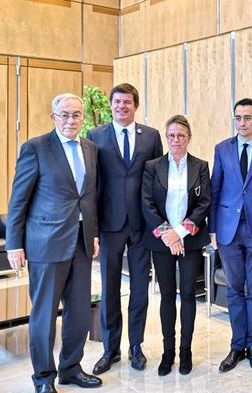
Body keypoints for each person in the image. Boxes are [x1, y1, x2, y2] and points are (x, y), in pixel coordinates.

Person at [6, 93, 102, 393]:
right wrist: (14, 245)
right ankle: (43, 377)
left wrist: (94, 234)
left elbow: (88, 197)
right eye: (65, 115)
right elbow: (19, 199)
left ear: (83, 118)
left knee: (78, 313)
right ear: (54, 117)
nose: (71, 120)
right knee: (44, 314)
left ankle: (71, 368)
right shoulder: (35, 148)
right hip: (45, 244)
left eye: (76, 115)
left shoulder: (90, 149)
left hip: (81, 242)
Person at [87, 83, 163, 374]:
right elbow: (92, 184)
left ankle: (136, 346)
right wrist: (92, 227)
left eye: (127, 102)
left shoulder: (152, 136)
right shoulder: (95, 136)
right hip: (110, 225)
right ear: (111, 104)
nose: (122, 106)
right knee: (109, 288)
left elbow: (158, 181)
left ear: (136, 105)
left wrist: (159, 221)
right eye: (117, 102)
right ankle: (110, 349)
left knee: (141, 289)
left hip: (142, 224)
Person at [209, 98, 252, 373]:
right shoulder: (222, 149)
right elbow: (215, 190)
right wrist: (212, 229)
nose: (242, 123)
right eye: (237, 118)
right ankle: (237, 345)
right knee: (235, 289)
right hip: (228, 230)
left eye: (247, 118)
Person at [141, 115, 211, 376]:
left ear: (189, 137)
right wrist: (168, 235)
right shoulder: (153, 166)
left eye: (181, 135)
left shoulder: (200, 166)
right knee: (167, 296)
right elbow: (146, 202)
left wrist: (180, 233)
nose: (175, 140)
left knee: (189, 295)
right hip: (161, 242)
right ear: (166, 138)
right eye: (171, 135)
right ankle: (168, 351)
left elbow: (204, 202)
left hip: (189, 240)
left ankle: (185, 351)